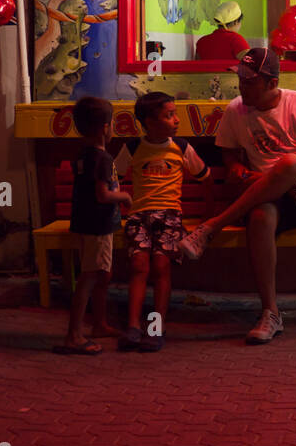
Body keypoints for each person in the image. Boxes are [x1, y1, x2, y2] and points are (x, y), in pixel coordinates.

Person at [178, 47, 296, 344]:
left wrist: (274, 176)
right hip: (269, 198)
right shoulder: (235, 110)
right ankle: (270, 312)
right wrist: (239, 168)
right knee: (259, 215)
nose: (242, 87)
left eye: (250, 81)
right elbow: (229, 156)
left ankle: (210, 228)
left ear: (271, 82)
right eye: (240, 79)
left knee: (291, 163)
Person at [113, 91, 210, 351]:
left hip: (169, 216)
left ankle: (156, 328)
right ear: (149, 122)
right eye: (169, 115)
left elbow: (203, 174)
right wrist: (119, 198)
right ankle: (133, 326)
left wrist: (206, 216)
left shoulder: (181, 147)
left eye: (175, 114)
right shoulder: (133, 148)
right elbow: (114, 176)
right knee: (138, 265)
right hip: (139, 216)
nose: (177, 120)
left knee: (161, 267)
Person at [53, 96, 133, 355]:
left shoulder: (83, 156)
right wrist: (126, 197)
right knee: (89, 277)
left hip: (83, 223)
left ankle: (99, 323)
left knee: (100, 274)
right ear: (104, 128)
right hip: (98, 226)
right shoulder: (104, 159)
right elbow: (103, 195)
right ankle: (74, 335)